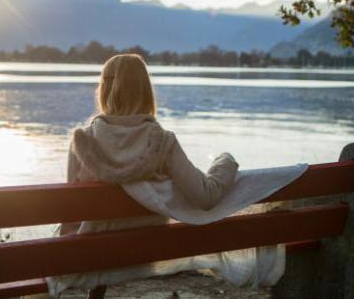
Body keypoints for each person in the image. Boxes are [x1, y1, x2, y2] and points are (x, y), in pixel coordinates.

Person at [48, 54, 240, 298]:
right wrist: (225, 161)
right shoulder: (163, 142)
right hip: (143, 253)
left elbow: (71, 213)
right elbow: (205, 197)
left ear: (104, 89)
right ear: (145, 91)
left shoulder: (83, 142)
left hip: (92, 255)